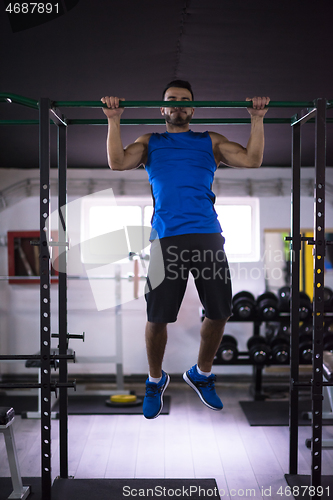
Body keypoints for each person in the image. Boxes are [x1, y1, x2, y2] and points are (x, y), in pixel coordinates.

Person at [101, 81, 270, 419]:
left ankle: (201, 373)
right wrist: (114, 119)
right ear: (162, 109)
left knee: (220, 312)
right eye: (171, 101)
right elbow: (117, 163)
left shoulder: (211, 142)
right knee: (157, 317)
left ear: (193, 109)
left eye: (184, 102)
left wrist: (257, 118)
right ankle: (154, 379)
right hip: (167, 239)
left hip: (208, 235)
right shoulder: (150, 142)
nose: (177, 106)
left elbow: (252, 161)